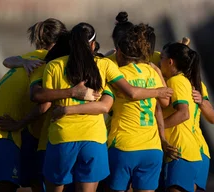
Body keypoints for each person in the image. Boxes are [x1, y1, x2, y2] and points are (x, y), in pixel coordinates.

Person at [41, 22, 173, 192]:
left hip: (70, 137)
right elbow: (132, 97)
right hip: (101, 140)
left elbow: (41, 99)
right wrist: (158, 90)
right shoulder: (112, 66)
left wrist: (67, 106)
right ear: (93, 44)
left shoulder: (55, 65)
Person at [0, 18, 90, 192]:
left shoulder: (29, 58)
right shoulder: (48, 64)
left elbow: (7, 60)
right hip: (1, 134)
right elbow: (43, 103)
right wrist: (19, 124)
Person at [160, 42, 205, 192]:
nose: (159, 63)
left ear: (170, 62)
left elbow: (183, 113)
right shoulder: (185, 80)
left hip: (179, 151)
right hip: (188, 152)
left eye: (162, 59)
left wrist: (156, 127)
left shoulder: (175, 81)